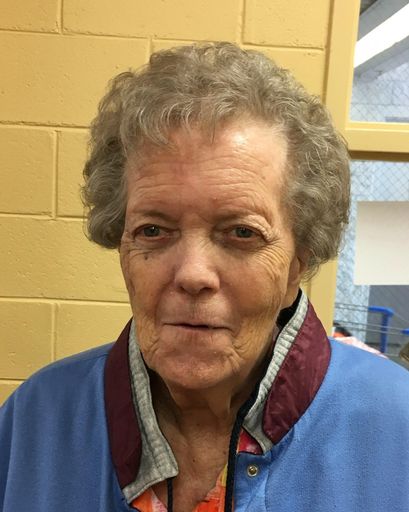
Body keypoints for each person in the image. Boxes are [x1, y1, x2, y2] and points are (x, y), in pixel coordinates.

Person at [1, 42, 408, 512]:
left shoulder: (396, 425)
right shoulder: (35, 420)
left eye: (241, 233)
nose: (193, 274)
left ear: (299, 259)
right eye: (153, 230)